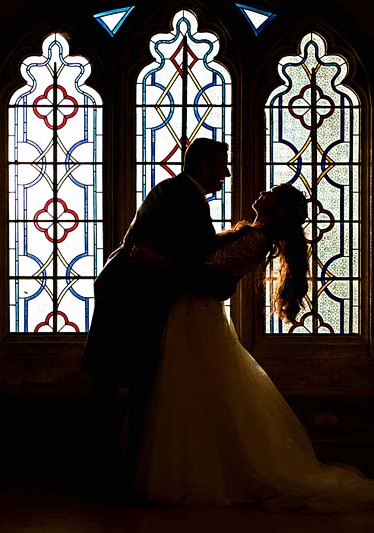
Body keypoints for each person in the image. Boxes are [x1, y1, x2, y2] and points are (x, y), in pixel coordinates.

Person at [132, 183, 374, 512]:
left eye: (271, 193)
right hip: (193, 315)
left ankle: (198, 477)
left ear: (278, 210)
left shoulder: (256, 240)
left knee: (194, 392)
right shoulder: (251, 233)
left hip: (199, 317)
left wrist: (158, 261)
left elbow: (208, 278)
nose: (262, 194)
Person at [81, 138, 238, 494]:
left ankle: (112, 475)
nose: (226, 174)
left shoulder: (177, 192)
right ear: (203, 165)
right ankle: (106, 476)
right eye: (221, 165)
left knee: (118, 386)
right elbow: (194, 260)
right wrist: (224, 282)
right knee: (122, 386)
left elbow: (188, 255)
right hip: (130, 301)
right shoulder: (184, 197)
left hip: (131, 296)